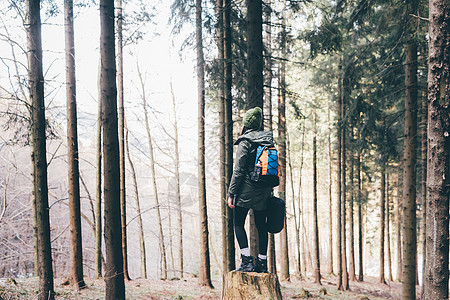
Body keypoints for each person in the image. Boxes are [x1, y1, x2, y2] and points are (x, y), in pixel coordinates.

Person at [227, 106, 273, 273]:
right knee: (262, 225)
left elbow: (238, 170)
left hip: (246, 190)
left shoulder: (245, 141)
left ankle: (247, 261)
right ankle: (262, 263)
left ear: (246, 123)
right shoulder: (268, 141)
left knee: (238, 223)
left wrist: (231, 192)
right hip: (264, 191)